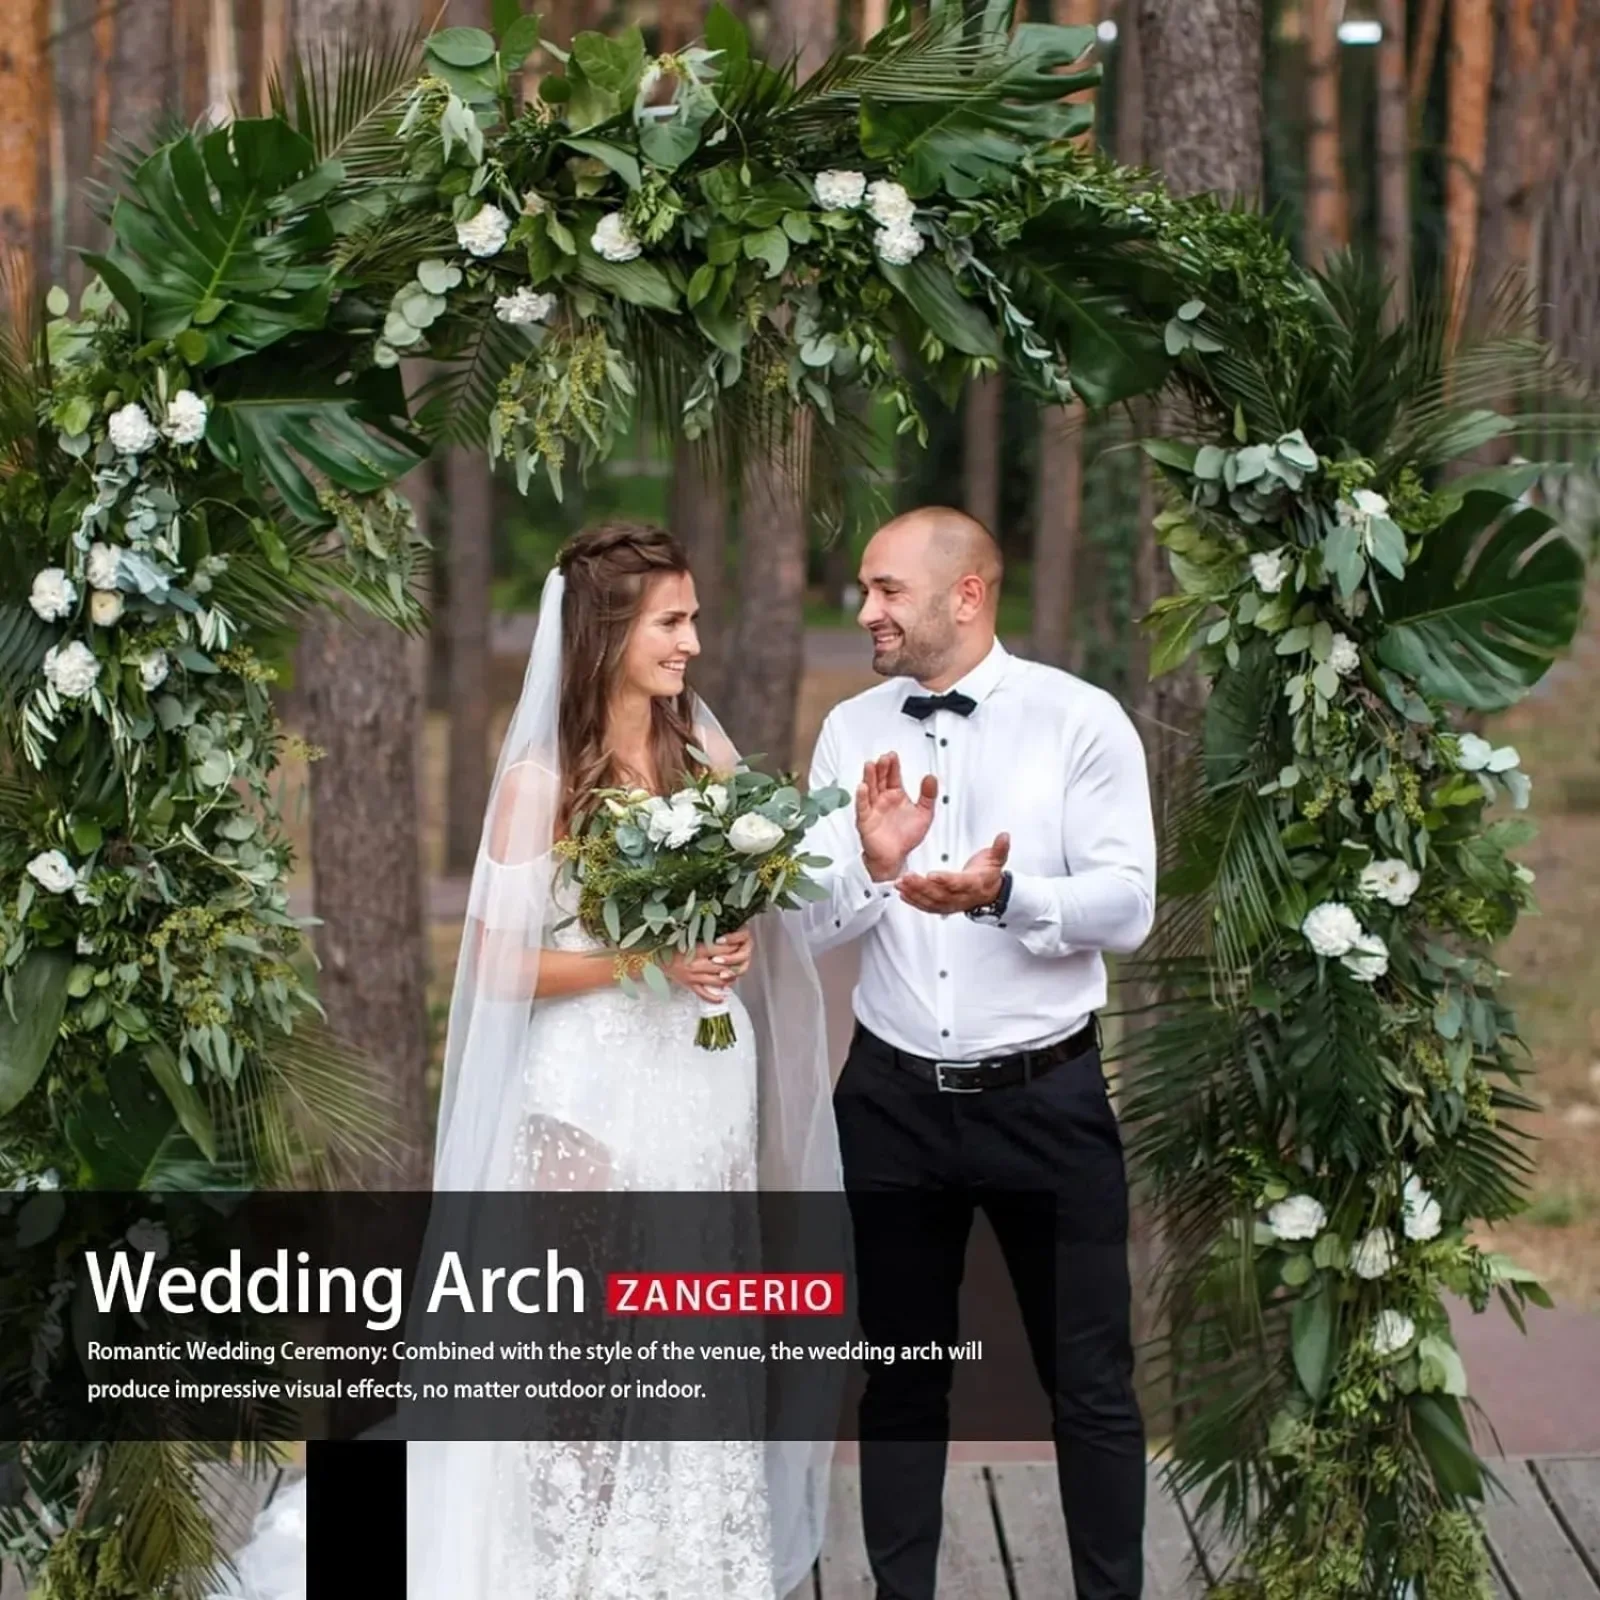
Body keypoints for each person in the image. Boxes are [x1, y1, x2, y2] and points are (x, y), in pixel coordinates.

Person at [404, 521, 842, 1599]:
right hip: (588, 1096)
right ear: (607, 632)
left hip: (700, 1084)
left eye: (692, 617)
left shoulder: (706, 760)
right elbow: (498, 965)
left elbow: (751, 905)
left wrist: (730, 937)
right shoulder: (539, 783)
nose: (693, 641)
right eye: (672, 620)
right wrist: (642, 959)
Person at [800, 506, 1157, 1600]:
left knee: (1088, 1385)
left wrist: (1005, 894)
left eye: (886, 590)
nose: (865, 611)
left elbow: (1128, 901)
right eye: (864, 589)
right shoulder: (851, 731)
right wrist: (867, 863)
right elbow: (811, 923)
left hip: (1044, 1096)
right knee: (903, 1380)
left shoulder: (1078, 720)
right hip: (892, 1101)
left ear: (967, 594)